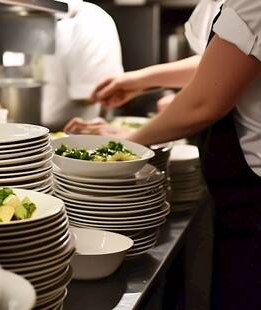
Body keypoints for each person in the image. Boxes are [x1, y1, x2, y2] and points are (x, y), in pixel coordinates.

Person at [68, 1, 261, 309]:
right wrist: (138, 81)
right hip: (240, 199)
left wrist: (123, 146)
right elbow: (225, 61)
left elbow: (205, 101)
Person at [64, 0, 224, 135]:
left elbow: (204, 102)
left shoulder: (244, 6)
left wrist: (131, 137)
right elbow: (216, 65)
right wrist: (140, 80)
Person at [41, 0, 124, 132]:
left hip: (70, 136)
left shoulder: (91, 20)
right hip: (23, 133)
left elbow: (96, 94)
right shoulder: (14, 15)